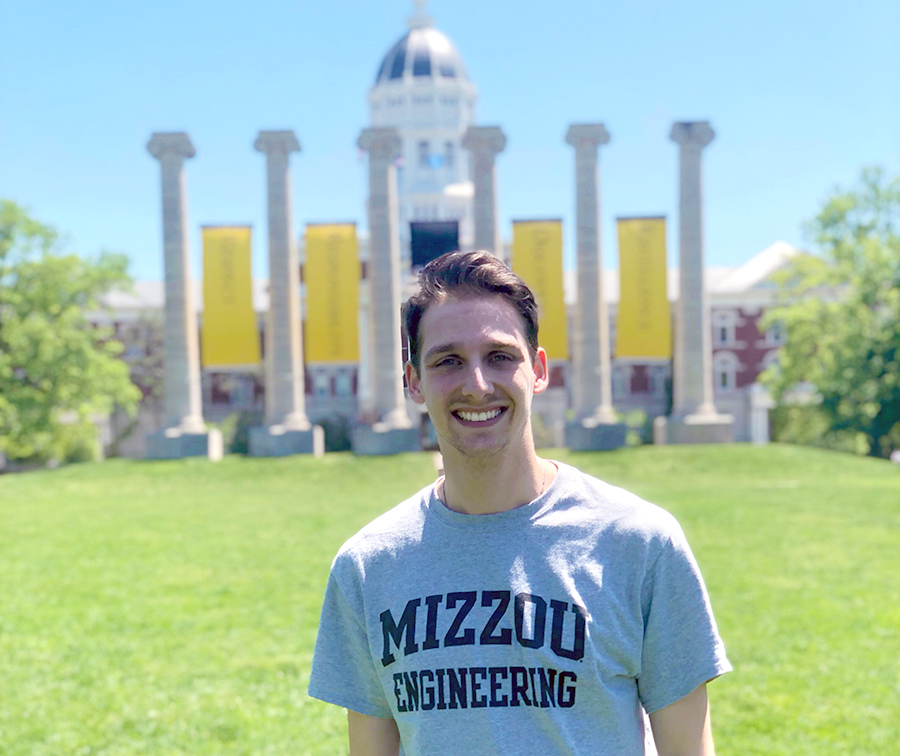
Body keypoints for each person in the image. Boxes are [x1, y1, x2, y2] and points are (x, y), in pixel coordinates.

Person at [308, 250, 731, 755]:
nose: (477, 384)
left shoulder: (639, 543)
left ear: (539, 370)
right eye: (448, 361)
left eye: (500, 356)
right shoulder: (367, 566)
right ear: (414, 381)